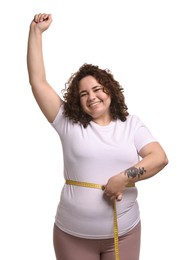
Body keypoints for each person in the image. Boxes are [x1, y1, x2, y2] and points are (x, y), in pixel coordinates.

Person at [27, 13, 168, 260]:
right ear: (77, 101)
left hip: (123, 235)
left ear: (109, 91)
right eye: (83, 94)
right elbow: (37, 81)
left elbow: (158, 157)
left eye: (96, 89)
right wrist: (35, 33)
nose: (91, 97)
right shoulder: (67, 123)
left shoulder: (131, 125)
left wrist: (123, 178)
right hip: (72, 236)